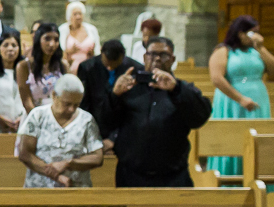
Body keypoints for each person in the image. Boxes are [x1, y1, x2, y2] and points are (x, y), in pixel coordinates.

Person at [103, 37, 211, 187]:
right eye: (152, 54)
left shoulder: (182, 89)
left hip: (173, 177)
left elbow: (200, 117)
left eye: (164, 55)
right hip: (131, 176)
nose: (157, 59)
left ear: (172, 59)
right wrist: (114, 95)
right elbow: (105, 122)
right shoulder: (129, 89)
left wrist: (176, 89)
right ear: (144, 57)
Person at [206, 16, 274, 175]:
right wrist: (240, 98)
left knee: (258, 139)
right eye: (252, 32)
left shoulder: (255, 51)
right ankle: (229, 177)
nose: (256, 36)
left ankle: (260, 176)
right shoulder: (223, 50)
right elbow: (216, 78)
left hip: (258, 97)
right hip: (232, 100)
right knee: (233, 138)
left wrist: (262, 48)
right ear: (240, 33)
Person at [17, 74, 104, 187]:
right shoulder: (38, 115)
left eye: (76, 105)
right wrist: (55, 175)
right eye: (67, 104)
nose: (71, 109)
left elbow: (97, 158)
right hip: (40, 188)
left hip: (75, 189)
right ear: (54, 95)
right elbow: (25, 154)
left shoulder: (86, 120)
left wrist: (69, 164)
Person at [76, 38, 140, 142]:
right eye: (107, 64)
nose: (110, 68)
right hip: (96, 119)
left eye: (114, 64)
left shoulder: (135, 68)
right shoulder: (87, 67)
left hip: (122, 122)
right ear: (101, 53)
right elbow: (84, 102)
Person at [17, 22, 65, 114]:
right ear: (38, 40)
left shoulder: (63, 66)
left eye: (56, 40)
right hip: (34, 117)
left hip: (58, 117)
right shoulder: (24, 66)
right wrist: (41, 121)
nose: (52, 44)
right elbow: (27, 101)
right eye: (47, 39)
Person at [0, 31, 26, 133]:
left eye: (14, 45)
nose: (10, 49)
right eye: (5, 45)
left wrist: (23, 117)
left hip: (21, 123)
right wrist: (0, 118)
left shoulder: (25, 70)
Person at [59, 1, 100, 72]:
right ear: (70, 16)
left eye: (80, 14)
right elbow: (60, 52)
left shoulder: (91, 29)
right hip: (70, 68)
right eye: (75, 14)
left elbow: (97, 51)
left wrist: (92, 53)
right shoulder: (63, 30)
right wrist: (70, 51)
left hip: (89, 69)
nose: (78, 17)